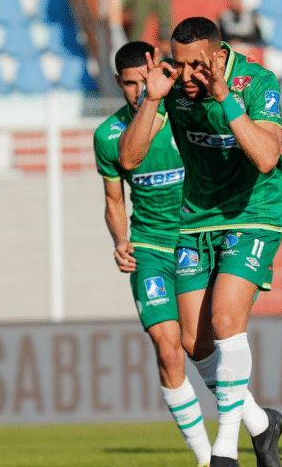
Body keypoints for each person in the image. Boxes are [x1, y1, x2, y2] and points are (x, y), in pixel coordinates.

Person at [117, 17, 282, 467]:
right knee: (195, 344)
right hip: (197, 219)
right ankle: (261, 423)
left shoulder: (257, 82)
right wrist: (152, 99)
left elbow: (267, 157)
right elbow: (128, 159)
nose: (187, 75)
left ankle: (224, 451)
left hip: (254, 213)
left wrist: (225, 98)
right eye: (179, 64)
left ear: (218, 55)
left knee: (226, 319)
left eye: (196, 65)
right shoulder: (173, 88)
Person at [94, 41, 216, 467]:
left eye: (143, 82)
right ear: (119, 82)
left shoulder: (182, 114)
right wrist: (119, 240)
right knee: (168, 349)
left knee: (198, 345)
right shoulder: (108, 136)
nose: (137, 91)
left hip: (192, 241)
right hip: (148, 248)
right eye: (129, 84)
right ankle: (206, 458)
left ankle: (255, 419)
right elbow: (113, 200)